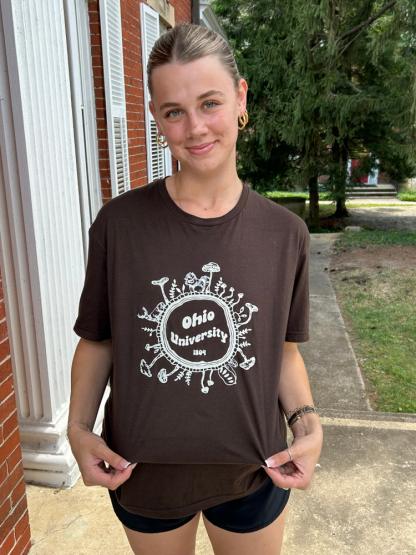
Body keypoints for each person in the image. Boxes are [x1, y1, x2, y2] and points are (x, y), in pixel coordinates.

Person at [67, 22, 323, 555]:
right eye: (174, 111)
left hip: (254, 473)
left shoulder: (284, 234)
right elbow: (98, 340)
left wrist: (306, 423)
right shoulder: (119, 225)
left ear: (240, 98)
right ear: (158, 119)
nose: (196, 128)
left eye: (210, 103)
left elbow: (282, 350)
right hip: (142, 475)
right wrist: (77, 428)